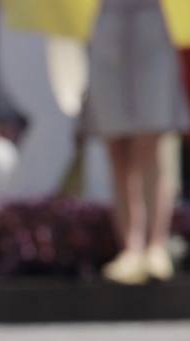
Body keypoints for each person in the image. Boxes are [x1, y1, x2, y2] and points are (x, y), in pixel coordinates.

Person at [83, 0, 190, 284]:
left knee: (150, 142)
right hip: (106, 22)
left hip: (152, 22)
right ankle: (130, 248)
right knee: (116, 147)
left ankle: (156, 244)